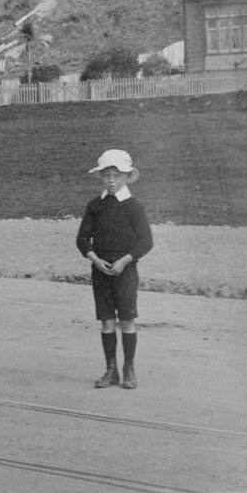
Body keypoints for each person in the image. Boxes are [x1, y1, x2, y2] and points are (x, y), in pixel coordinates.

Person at [75, 148, 153, 390]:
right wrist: (95, 259)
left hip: (125, 271)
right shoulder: (95, 206)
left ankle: (129, 369)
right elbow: (82, 238)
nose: (111, 181)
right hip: (101, 271)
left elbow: (145, 241)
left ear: (127, 177)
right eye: (107, 176)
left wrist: (124, 261)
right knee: (107, 322)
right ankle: (111, 370)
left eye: (116, 176)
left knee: (127, 320)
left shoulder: (133, 206)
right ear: (101, 177)